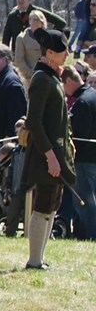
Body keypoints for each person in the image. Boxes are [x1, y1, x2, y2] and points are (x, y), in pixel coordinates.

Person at [22, 28, 76, 269]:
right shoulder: (41, 79)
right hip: (46, 154)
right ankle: (34, 260)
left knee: (51, 205)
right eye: (63, 51)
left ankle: (40, 258)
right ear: (51, 53)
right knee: (42, 204)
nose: (67, 55)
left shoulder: (51, 76)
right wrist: (50, 156)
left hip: (56, 152)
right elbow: (34, 122)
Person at [61, 66, 96, 240]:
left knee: (86, 201)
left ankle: (92, 235)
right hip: (92, 158)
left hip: (84, 159)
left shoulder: (82, 102)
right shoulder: (93, 95)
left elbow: (78, 134)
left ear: (68, 81)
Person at [2, 0, 66, 51]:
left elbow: (61, 23)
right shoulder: (12, 15)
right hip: (18, 53)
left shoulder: (38, 12)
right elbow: (6, 38)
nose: (20, 0)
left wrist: (50, 36)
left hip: (35, 53)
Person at [0, 47, 27, 145]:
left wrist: (10, 137)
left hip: (2, 141)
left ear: (3, 60)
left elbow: (17, 114)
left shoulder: (11, 83)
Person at [15, 10, 47, 81]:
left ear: (42, 22)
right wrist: (30, 73)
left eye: (37, 20)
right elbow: (19, 60)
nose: (34, 22)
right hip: (30, 78)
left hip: (47, 76)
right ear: (29, 21)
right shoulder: (22, 38)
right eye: (32, 19)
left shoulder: (48, 37)